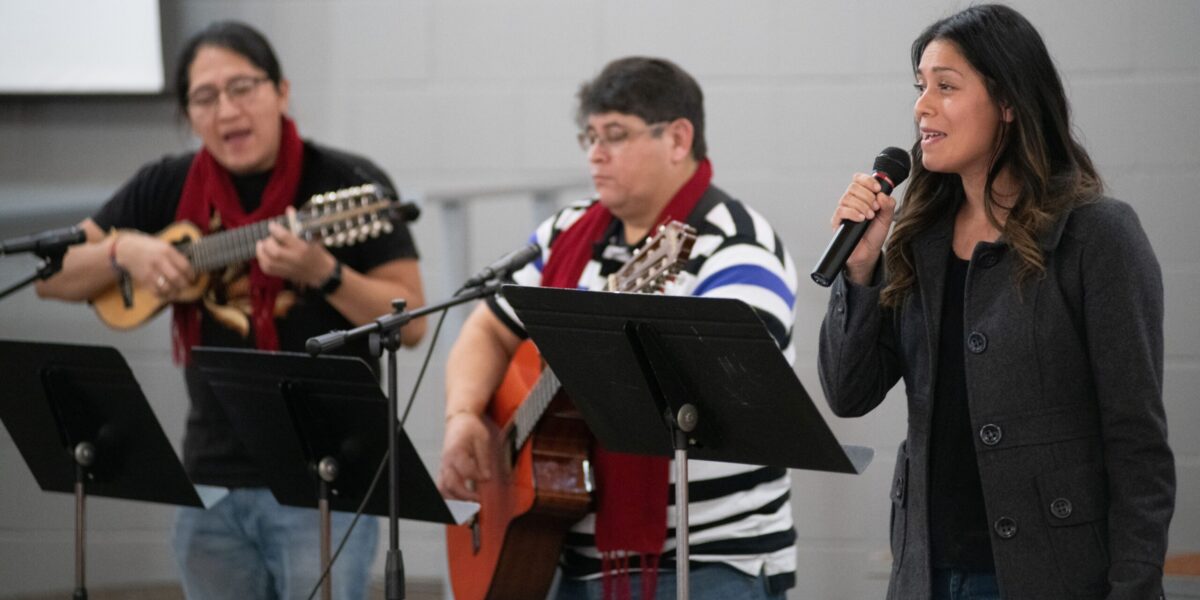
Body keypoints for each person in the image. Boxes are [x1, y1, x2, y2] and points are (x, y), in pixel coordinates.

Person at [35, 21, 426, 599]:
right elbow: (53, 277)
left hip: (326, 479)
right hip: (211, 479)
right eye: (205, 97)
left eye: (243, 88)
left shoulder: (345, 183)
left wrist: (325, 273)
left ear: (281, 92)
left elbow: (412, 320)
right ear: (188, 114)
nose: (227, 110)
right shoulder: (164, 186)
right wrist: (123, 249)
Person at [817, 5, 1174, 600]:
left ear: (1008, 102)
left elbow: (1137, 442)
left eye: (946, 87)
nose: (922, 106)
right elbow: (848, 394)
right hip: (925, 572)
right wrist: (860, 270)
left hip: (1050, 573)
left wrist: (1134, 588)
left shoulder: (1095, 234)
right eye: (920, 87)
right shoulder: (918, 238)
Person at [437, 57, 799, 599]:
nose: (595, 154)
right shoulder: (566, 233)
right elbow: (488, 328)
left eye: (615, 135)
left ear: (678, 139)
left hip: (709, 563)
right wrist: (464, 414)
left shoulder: (735, 243)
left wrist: (601, 361)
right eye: (589, 136)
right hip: (566, 552)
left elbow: (738, 387)